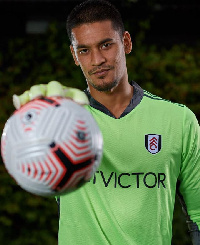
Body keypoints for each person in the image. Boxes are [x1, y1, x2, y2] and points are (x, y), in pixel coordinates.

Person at [13, 0, 200, 244]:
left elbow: (197, 214)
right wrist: (31, 118)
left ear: (126, 42)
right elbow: (30, 164)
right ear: (74, 56)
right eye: (84, 50)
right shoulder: (63, 121)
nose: (97, 59)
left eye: (106, 45)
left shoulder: (178, 119)